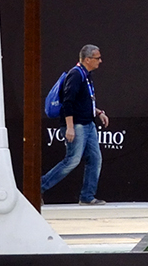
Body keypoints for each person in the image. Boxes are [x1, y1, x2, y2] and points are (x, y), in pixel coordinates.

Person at [41, 44, 109, 204]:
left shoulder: (86, 75)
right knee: (72, 160)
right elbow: (68, 102)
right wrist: (70, 127)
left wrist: (98, 112)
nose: (100, 61)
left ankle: (87, 197)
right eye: (97, 58)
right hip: (77, 125)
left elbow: (83, 100)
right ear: (87, 59)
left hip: (88, 123)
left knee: (95, 158)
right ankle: (37, 188)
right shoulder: (75, 75)